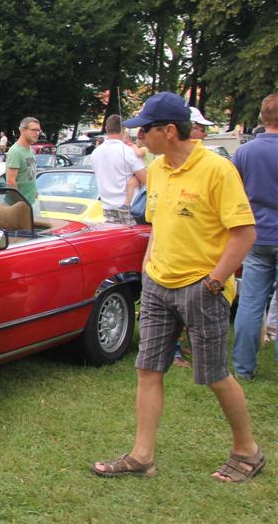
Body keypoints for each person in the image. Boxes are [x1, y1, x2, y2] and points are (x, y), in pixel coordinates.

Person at [93, 92, 261, 482]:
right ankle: (142, 456)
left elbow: (244, 233)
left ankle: (247, 452)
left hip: (201, 287)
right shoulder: (158, 170)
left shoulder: (217, 169)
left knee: (215, 374)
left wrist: (215, 281)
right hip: (157, 284)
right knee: (148, 369)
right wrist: (149, 269)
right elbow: (157, 226)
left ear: (169, 130)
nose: (138, 139)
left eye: (144, 131)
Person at [231, 93, 278, 380]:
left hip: (255, 235)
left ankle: (243, 368)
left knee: (250, 302)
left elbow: (233, 193)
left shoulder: (245, 152)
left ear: (262, 117)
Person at [91, 115, 147, 211]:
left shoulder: (95, 152)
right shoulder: (128, 151)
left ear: (106, 128)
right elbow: (145, 179)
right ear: (123, 129)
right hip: (130, 207)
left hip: (106, 206)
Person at [6, 117, 40, 208]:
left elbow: (29, 175)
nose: (37, 133)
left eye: (38, 130)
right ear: (23, 130)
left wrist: (34, 194)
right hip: (20, 206)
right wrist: (22, 205)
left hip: (32, 202)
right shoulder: (15, 151)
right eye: (34, 130)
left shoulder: (29, 150)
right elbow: (10, 182)